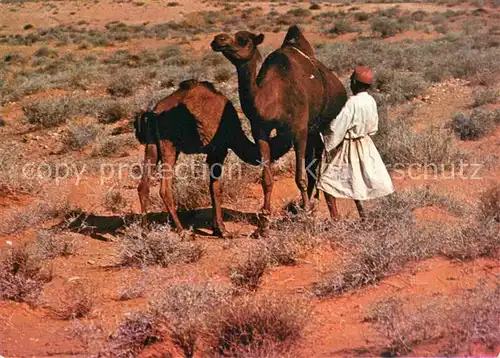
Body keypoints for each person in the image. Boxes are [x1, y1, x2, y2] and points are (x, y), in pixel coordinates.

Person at [317, 65, 394, 219]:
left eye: (351, 81)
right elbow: (374, 127)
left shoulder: (352, 102)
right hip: (366, 144)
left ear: (355, 83)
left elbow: (338, 126)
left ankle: (335, 217)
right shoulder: (370, 100)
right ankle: (364, 215)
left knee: (326, 181)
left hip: (351, 145)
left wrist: (326, 139)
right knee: (358, 180)